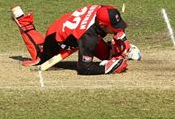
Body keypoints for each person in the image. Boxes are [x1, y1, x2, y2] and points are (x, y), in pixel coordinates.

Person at [11, 4, 142, 75]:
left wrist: (119, 38)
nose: (117, 29)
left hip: (75, 28)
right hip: (56, 36)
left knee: (108, 54)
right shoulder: (88, 37)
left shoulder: (102, 9)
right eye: (113, 28)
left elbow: (112, 21)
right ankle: (23, 21)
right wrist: (109, 68)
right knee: (41, 57)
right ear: (102, 25)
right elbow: (84, 68)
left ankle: (120, 51)